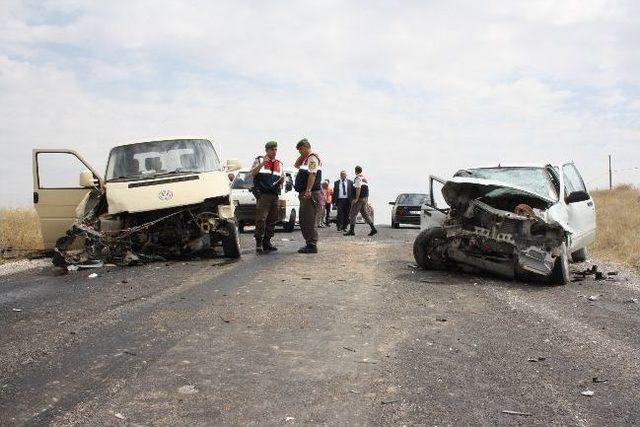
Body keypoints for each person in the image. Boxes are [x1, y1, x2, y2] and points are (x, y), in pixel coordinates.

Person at [250, 141, 283, 254]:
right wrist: (262, 164)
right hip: (263, 195)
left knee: (272, 220)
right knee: (261, 219)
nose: (274, 152)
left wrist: (282, 180)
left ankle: (267, 242)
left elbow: (280, 179)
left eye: (275, 149)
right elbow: (252, 173)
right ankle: (258, 243)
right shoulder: (259, 160)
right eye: (271, 149)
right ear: (267, 150)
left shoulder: (279, 163)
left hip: (275, 195)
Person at [293, 138, 322, 253]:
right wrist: (303, 155)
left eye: (300, 150)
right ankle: (310, 243)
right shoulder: (307, 158)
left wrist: (308, 190)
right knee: (304, 219)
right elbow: (296, 165)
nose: (299, 152)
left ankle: (312, 244)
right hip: (306, 193)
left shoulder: (312, 158)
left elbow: (312, 174)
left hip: (310, 193)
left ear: (305, 147)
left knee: (308, 219)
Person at [344, 165, 377, 236]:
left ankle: (351, 231)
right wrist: (366, 200)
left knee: (353, 213)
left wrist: (356, 199)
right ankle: (373, 229)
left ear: (355, 171)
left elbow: (358, 188)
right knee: (365, 214)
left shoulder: (358, 178)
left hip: (360, 199)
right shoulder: (364, 178)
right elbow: (366, 189)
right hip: (365, 198)